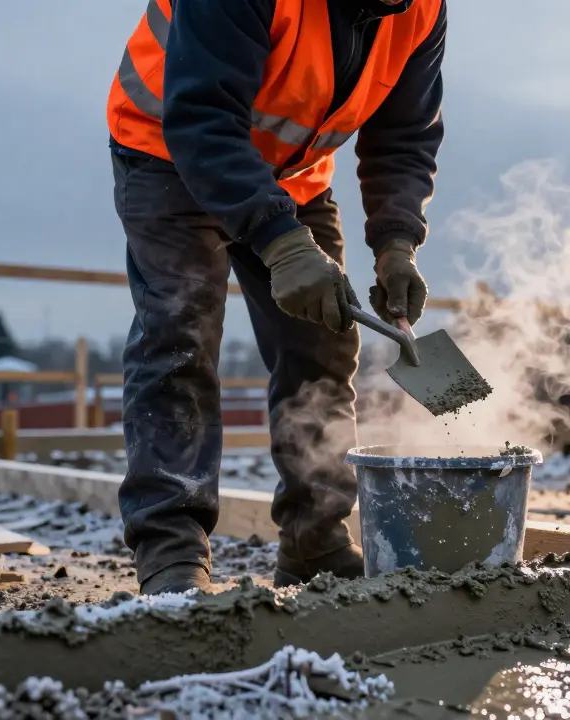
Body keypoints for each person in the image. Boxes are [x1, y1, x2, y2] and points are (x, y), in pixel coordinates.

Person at [105, 0, 447, 595]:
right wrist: (282, 245)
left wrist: (397, 242)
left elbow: (403, 135)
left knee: (324, 345)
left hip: (292, 175)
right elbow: (203, 115)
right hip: (170, 149)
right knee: (179, 330)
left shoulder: (422, 9)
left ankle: (315, 541)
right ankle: (171, 552)